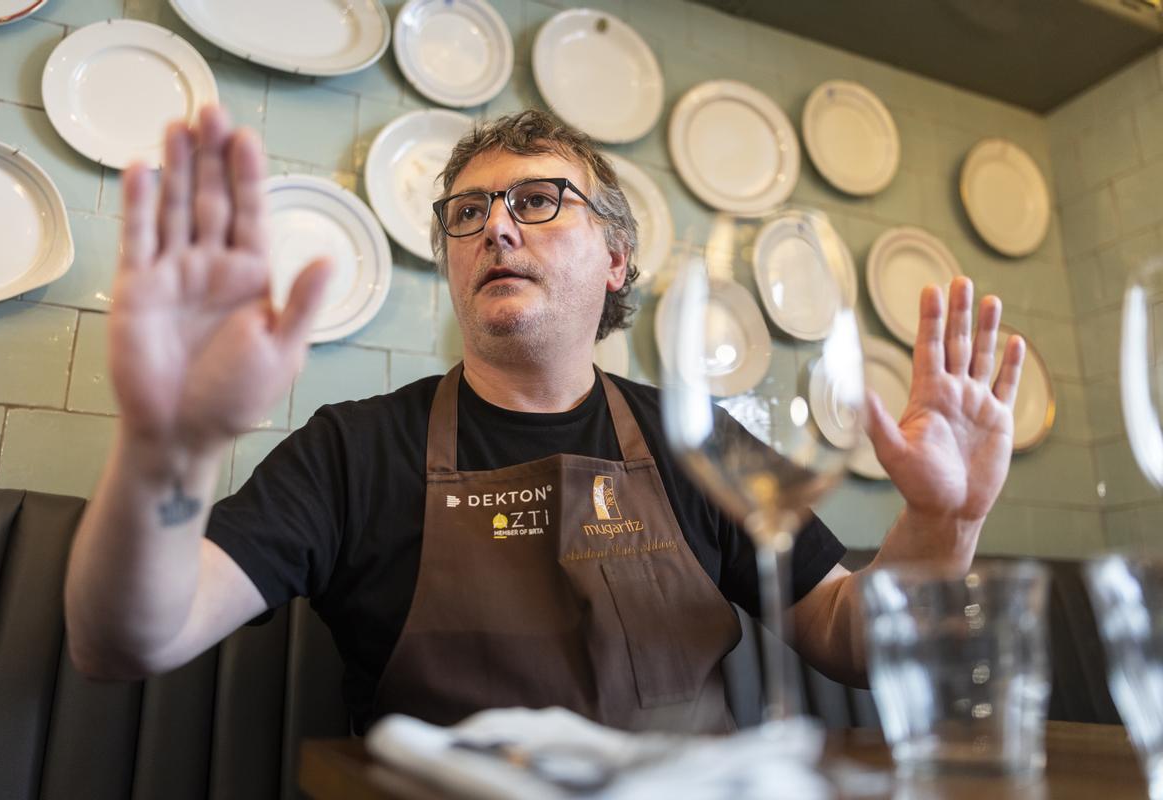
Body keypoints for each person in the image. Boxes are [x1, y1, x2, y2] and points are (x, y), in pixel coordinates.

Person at [64, 105, 1025, 734]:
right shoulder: (353, 452)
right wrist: (166, 452)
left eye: (536, 200)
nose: (497, 228)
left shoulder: (703, 444)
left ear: (615, 259)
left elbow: (854, 640)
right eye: (468, 212)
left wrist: (944, 522)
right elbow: (127, 641)